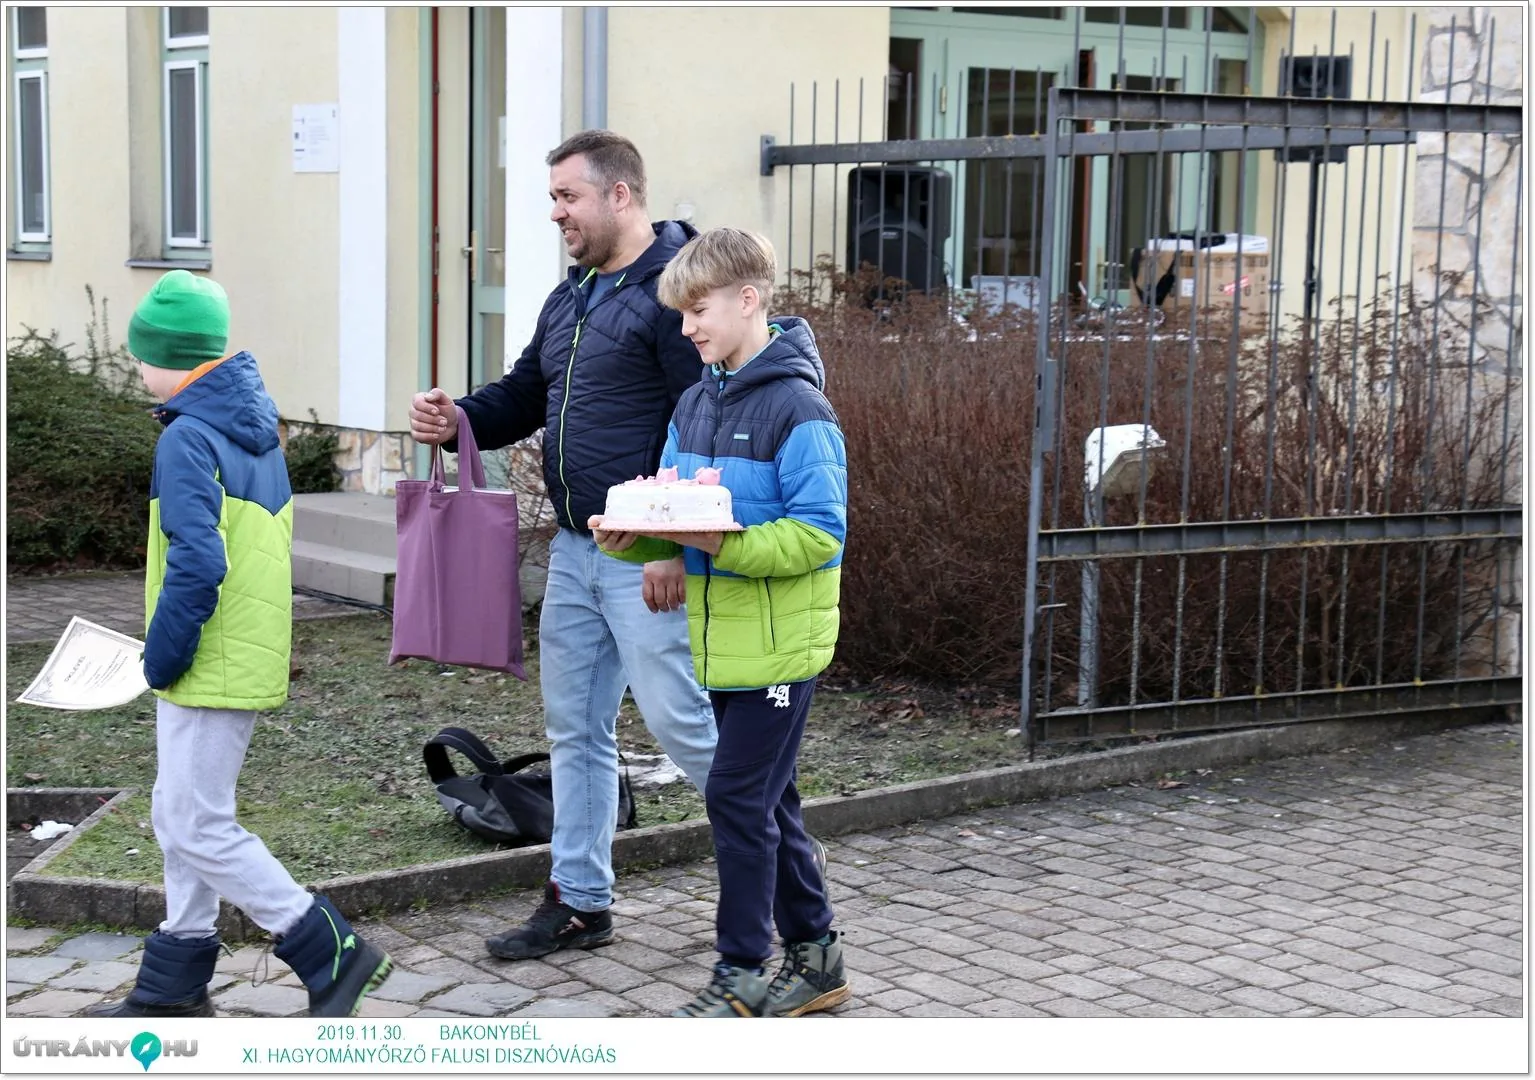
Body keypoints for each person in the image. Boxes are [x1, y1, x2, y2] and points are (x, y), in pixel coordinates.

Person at [408, 130, 721, 960]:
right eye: (552, 198)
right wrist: (459, 422)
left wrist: (669, 542)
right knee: (576, 732)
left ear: (620, 195)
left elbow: (701, 428)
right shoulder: (573, 295)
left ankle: (781, 871)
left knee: (681, 723)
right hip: (578, 552)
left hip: (644, 557)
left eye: (566, 197)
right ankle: (579, 900)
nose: (555, 214)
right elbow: (525, 394)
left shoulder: (675, 294)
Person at [88, 270, 393, 1019]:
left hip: (207, 654)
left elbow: (198, 561)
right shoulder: (247, 426)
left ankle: (327, 946)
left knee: (194, 820)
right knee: (179, 809)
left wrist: (160, 655)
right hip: (235, 648)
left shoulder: (189, 438)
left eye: (143, 357)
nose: (139, 371)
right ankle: (175, 981)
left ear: (173, 358)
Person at [591, 227, 850, 1018]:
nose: (687, 328)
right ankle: (818, 959)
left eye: (696, 311)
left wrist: (717, 545)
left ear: (747, 300)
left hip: (778, 649)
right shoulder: (695, 399)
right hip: (721, 641)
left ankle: (740, 973)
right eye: (680, 315)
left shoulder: (799, 408)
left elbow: (819, 533)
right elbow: (677, 508)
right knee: (768, 804)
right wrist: (642, 543)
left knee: (736, 799)